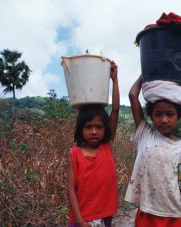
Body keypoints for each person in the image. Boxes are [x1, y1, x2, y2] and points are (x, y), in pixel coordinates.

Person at [125, 76, 181, 227]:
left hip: (177, 216)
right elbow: (133, 95)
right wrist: (145, 74)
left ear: (178, 117)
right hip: (148, 213)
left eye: (170, 114)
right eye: (158, 114)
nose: (164, 120)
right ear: (151, 116)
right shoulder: (145, 133)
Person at [67, 62, 119, 227]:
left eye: (99, 127)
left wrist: (114, 80)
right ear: (80, 129)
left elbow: (116, 109)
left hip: (104, 218)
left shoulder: (106, 147)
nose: (94, 131)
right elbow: (71, 190)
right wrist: (80, 221)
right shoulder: (74, 153)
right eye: (88, 127)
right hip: (81, 220)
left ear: (105, 129)